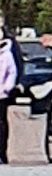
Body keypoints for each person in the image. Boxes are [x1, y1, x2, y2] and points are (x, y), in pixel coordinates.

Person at [0, 25, 17, 164]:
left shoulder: (6, 54)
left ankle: (1, 153)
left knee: (1, 123)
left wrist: (7, 88)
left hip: (1, 94)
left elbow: (12, 72)